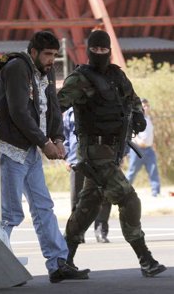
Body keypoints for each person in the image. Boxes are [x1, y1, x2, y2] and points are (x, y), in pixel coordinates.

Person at [57, 29, 166, 277]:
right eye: (94, 50)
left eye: (103, 50)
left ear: (109, 50)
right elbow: (57, 105)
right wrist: (55, 138)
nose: (99, 53)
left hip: (112, 151)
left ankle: (63, 261)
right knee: (128, 199)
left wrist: (137, 114)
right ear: (88, 50)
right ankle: (145, 259)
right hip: (92, 153)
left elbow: (132, 98)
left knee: (88, 207)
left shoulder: (118, 76)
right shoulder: (79, 79)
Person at [0, 31, 89, 283]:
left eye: (55, 55)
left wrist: (57, 138)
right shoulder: (16, 68)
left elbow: (53, 107)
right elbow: (18, 111)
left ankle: (58, 265)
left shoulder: (47, 71)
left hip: (30, 148)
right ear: (33, 51)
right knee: (11, 212)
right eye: (47, 54)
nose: (51, 60)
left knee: (43, 207)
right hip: (10, 148)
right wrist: (44, 142)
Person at [63, 107, 111, 243]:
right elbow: (64, 135)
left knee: (103, 196)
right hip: (76, 159)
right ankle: (77, 232)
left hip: (102, 158)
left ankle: (101, 230)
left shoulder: (103, 103)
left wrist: (119, 155)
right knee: (76, 198)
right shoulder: (70, 112)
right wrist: (66, 157)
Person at [126, 98, 161, 197]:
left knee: (153, 170)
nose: (146, 107)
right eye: (144, 106)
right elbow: (131, 132)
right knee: (132, 171)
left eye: (147, 105)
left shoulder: (149, 119)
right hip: (137, 150)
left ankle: (156, 192)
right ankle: (124, 191)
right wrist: (138, 141)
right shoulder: (135, 119)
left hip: (149, 150)